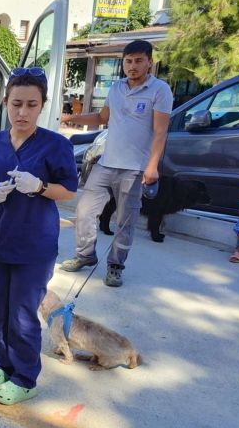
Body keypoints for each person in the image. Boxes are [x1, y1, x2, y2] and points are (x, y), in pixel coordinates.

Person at [0, 68, 78, 405]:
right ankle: (2, 366)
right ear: (6, 102)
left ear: (42, 106)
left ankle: (25, 377)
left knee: (22, 315)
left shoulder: (55, 145)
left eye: (32, 105)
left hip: (34, 245)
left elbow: (69, 191)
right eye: (16, 103)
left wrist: (40, 186)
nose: (22, 112)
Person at [60, 40, 173, 287]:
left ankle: (115, 266)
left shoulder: (160, 90)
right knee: (84, 211)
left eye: (138, 61)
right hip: (106, 163)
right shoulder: (117, 88)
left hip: (135, 169)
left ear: (149, 62)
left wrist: (152, 166)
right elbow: (102, 117)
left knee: (125, 221)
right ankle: (85, 255)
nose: (132, 66)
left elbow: (160, 131)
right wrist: (71, 118)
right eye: (128, 61)